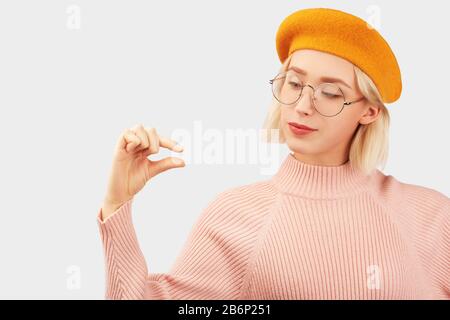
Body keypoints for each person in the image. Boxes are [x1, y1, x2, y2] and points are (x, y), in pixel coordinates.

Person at [96, 7, 449, 299]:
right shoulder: (235, 215)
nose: (302, 105)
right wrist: (118, 202)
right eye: (294, 83)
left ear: (368, 111)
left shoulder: (431, 216)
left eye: (330, 92)